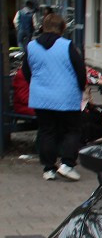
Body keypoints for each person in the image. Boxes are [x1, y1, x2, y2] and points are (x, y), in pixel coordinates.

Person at [21, 13, 86, 181]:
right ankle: (67, 164)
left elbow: (27, 72)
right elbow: (80, 70)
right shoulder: (67, 45)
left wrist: (38, 86)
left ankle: (48, 168)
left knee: (46, 130)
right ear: (62, 28)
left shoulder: (31, 46)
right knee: (72, 130)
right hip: (66, 96)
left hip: (41, 97)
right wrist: (81, 87)